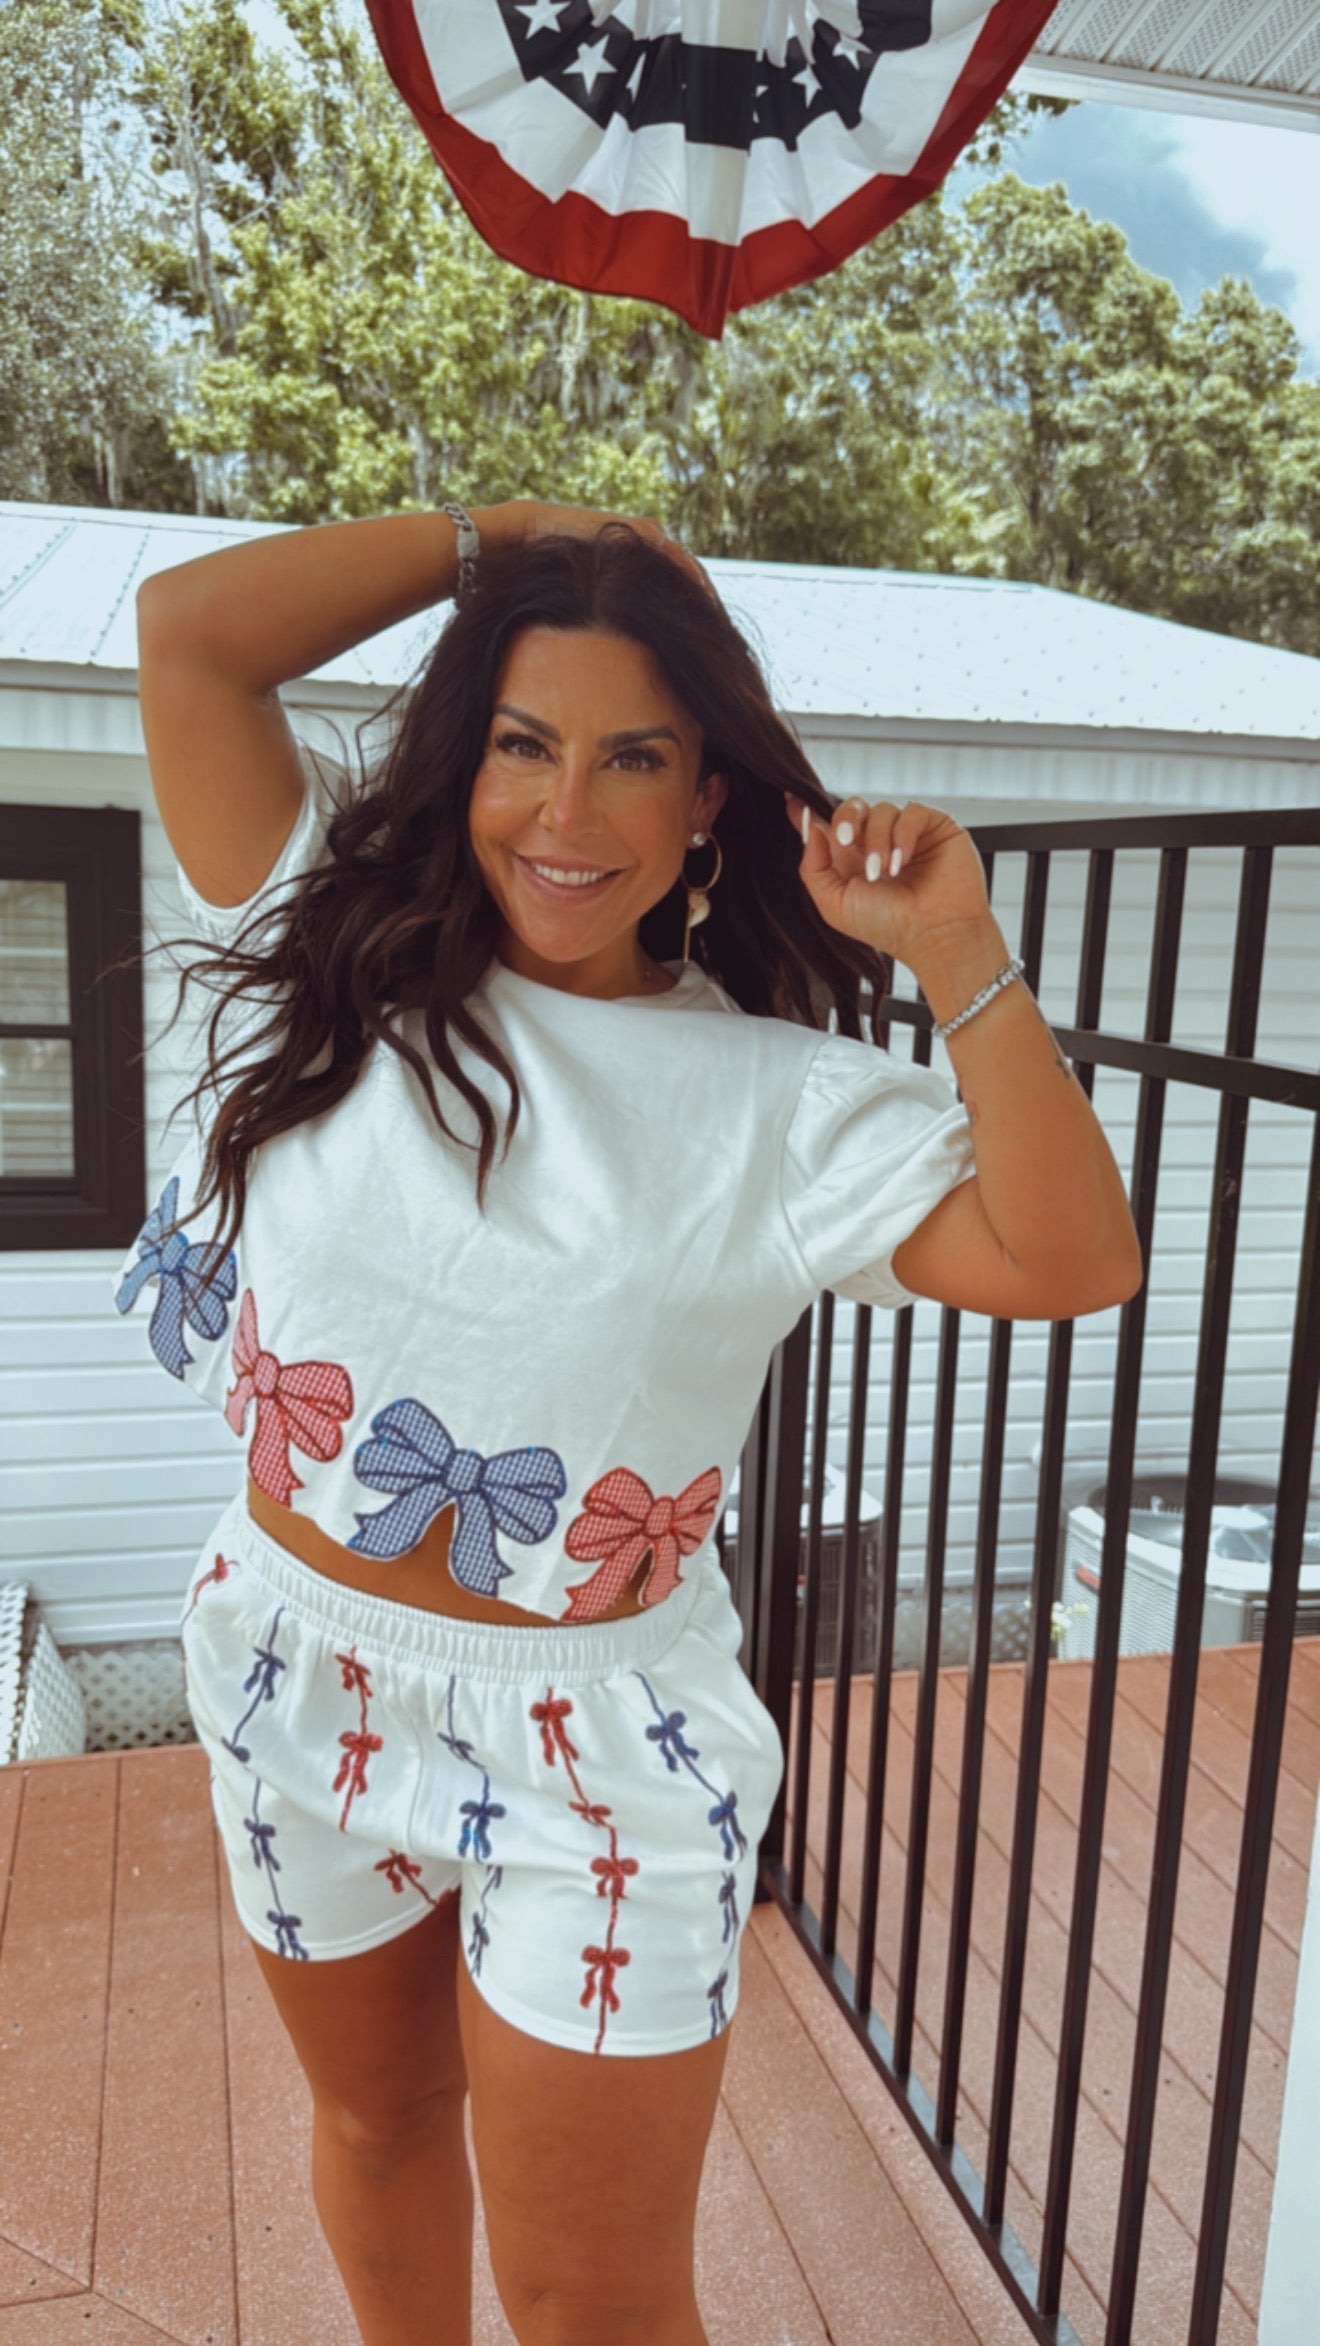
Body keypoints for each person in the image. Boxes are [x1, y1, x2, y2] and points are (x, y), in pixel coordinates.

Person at [112, 499, 1142, 2346]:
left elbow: (1073, 1256)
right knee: (376, 2120)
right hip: (292, 1660)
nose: (565, 812)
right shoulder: (334, 939)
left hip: (598, 1742)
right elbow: (191, 633)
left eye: (633, 759)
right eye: (523, 744)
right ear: (467, 759)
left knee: (589, 2292)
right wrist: (509, 537)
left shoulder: (777, 1105)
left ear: (707, 802)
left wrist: (956, 946)